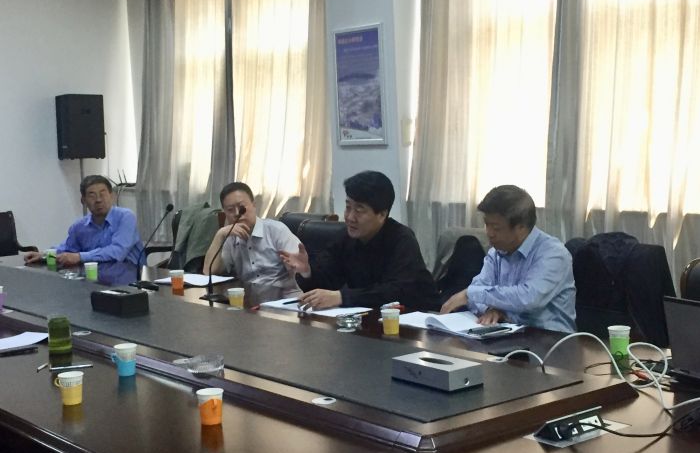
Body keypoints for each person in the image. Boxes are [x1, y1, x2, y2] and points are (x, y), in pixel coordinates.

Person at [280, 170, 440, 310]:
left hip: (417, 318)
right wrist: (307, 271)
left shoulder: (402, 239)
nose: (350, 217)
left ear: (382, 214)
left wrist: (342, 297)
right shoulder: (344, 237)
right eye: (348, 207)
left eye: (359, 210)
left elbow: (397, 291)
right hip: (369, 318)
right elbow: (327, 283)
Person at [440, 185, 576, 333]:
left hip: (551, 339)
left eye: (496, 228)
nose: (489, 233)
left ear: (521, 227)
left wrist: (471, 293)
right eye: (486, 224)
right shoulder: (495, 253)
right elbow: (479, 289)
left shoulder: (553, 253)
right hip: (508, 335)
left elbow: (528, 298)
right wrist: (492, 309)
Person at [203, 182, 301, 298]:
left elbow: (300, 270)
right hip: (250, 300)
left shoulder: (277, 231)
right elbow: (208, 272)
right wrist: (219, 235)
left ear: (254, 205)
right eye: (230, 210)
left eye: (241, 208)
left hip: (283, 300)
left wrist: (297, 266)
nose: (237, 213)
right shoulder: (230, 235)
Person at [24, 175, 143, 267]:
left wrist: (79, 257)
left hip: (131, 277)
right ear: (83, 201)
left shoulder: (125, 217)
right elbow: (67, 249)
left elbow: (118, 252)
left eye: (103, 194)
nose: (98, 200)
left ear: (112, 196)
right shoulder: (79, 227)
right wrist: (44, 254)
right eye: (92, 195)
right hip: (97, 277)